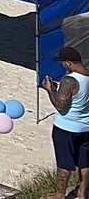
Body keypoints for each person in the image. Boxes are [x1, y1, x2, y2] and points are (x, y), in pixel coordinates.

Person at [44, 46, 89, 199]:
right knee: (85, 161)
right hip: (86, 127)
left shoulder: (70, 80)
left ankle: (60, 194)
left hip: (67, 127)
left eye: (63, 62)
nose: (63, 65)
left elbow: (60, 105)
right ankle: (82, 193)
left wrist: (50, 90)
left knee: (64, 162)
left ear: (69, 63)